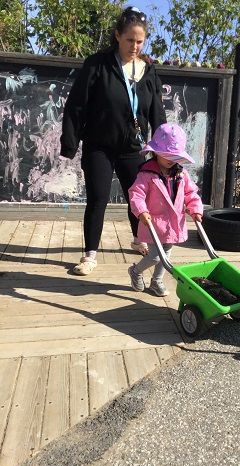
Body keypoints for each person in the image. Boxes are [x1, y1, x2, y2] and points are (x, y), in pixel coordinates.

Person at [60, 6, 167, 275]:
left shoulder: (149, 71)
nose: (134, 46)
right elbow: (76, 105)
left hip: (133, 148)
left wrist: (164, 150)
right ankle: (89, 255)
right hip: (99, 146)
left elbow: (157, 112)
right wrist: (70, 143)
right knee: (98, 198)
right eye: (129, 39)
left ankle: (137, 239)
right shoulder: (97, 64)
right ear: (118, 35)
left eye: (139, 41)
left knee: (138, 198)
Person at [128, 123, 204, 297]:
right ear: (155, 151)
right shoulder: (146, 174)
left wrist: (195, 209)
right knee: (155, 256)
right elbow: (136, 194)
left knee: (166, 255)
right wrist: (141, 211)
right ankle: (135, 271)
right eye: (166, 154)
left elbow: (191, 193)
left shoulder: (181, 173)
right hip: (153, 222)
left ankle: (156, 281)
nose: (171, 159)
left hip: (173, 222)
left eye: (175, 155)